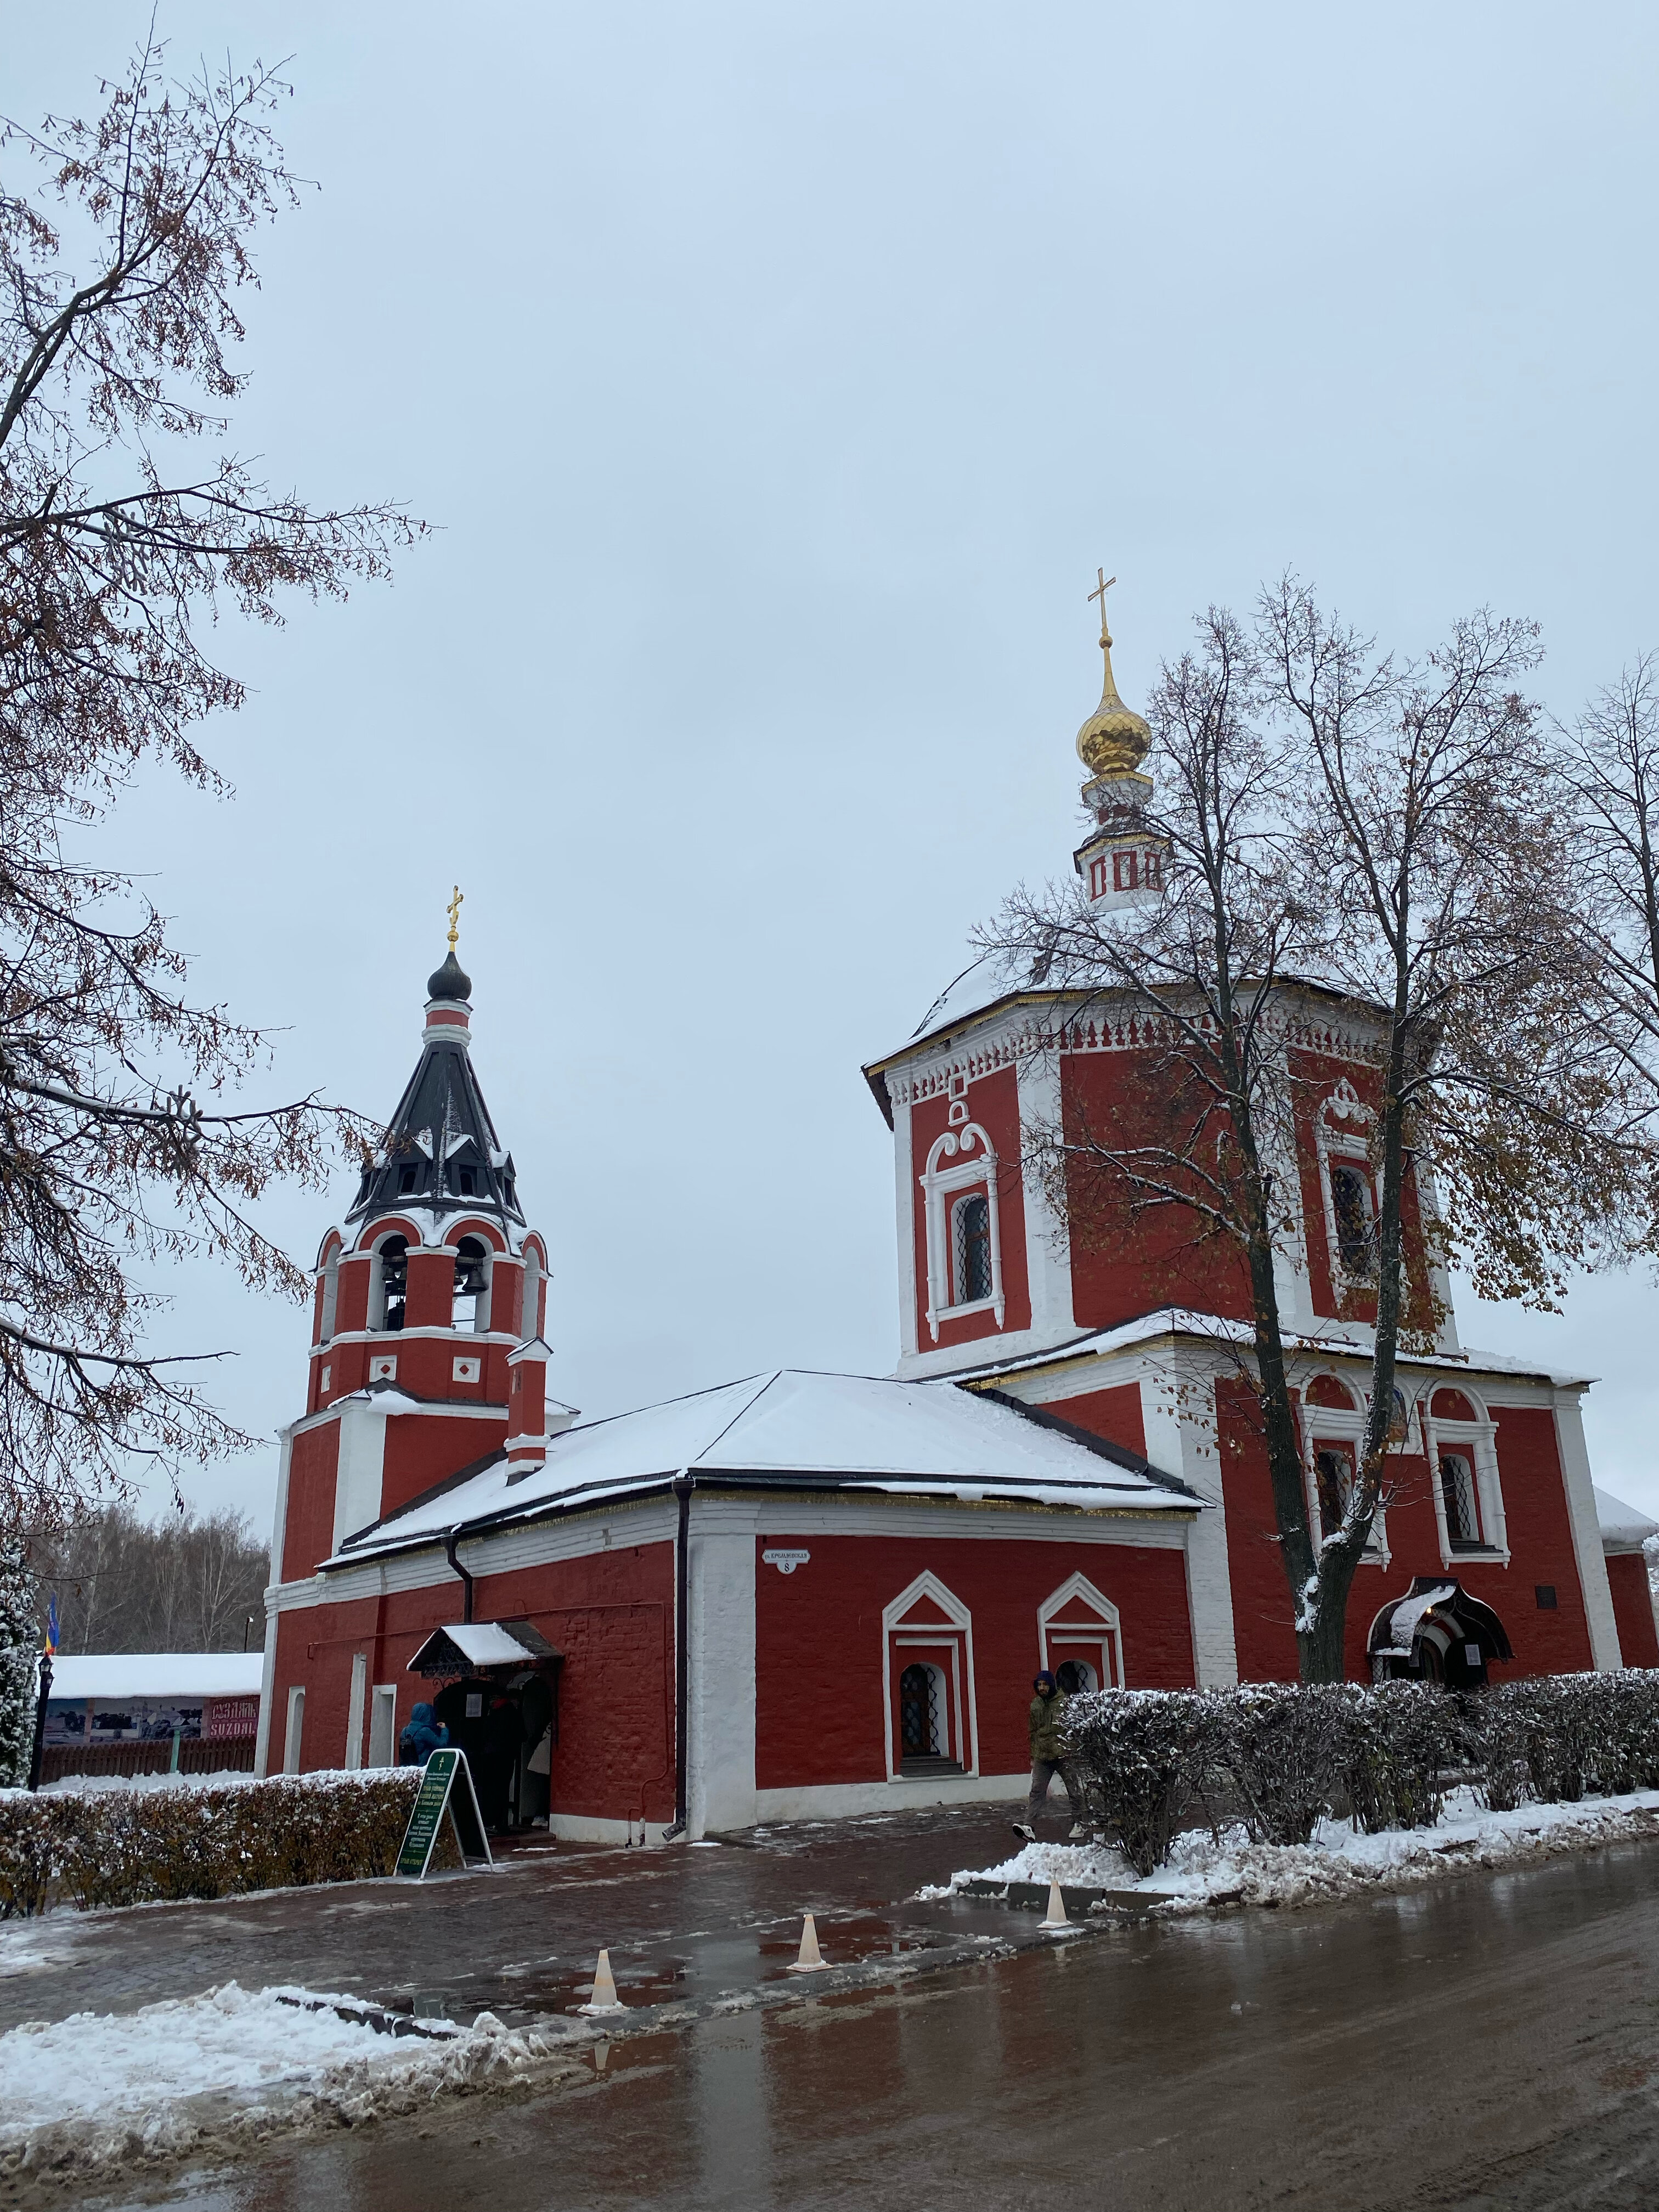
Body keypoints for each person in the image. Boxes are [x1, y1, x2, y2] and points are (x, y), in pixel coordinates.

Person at [1012, 1669, 1086, 1841]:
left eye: (1045, 1684)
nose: (1042, 1688)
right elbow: (1033, 1731)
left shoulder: (1064, 1702)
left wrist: (1074, 1749)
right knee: (1037, 1791)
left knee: (1074, 1790)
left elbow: (1074, 1727)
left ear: (1052, 1685)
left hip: (1064, 1754)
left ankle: (1079, 1823)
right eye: (1039, 1685)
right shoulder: (1036, 1705)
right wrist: (1033, 1756)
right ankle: (1029, 1826)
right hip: (1043, 1756)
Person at [398, 1700, 449, 1765]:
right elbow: (442, 1744)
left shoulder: (404, 1731)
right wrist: (444, 1729)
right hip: (421, 1767)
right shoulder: (425, 1731)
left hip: (407, 1768)